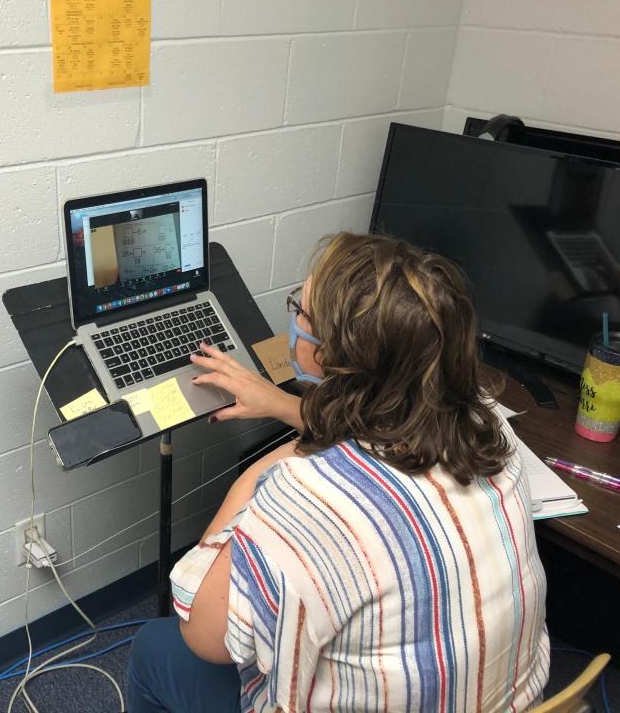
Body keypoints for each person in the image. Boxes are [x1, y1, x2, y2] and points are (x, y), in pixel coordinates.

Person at [126, 232, 550, 713]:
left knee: (155, 646)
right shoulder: (484, 425)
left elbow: (205, 636)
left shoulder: (307, 495)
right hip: (509, 702)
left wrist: (262, 476)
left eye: (300, 312)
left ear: (326, 353)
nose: (295, 321)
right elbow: (385, 431)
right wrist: (285, 405)